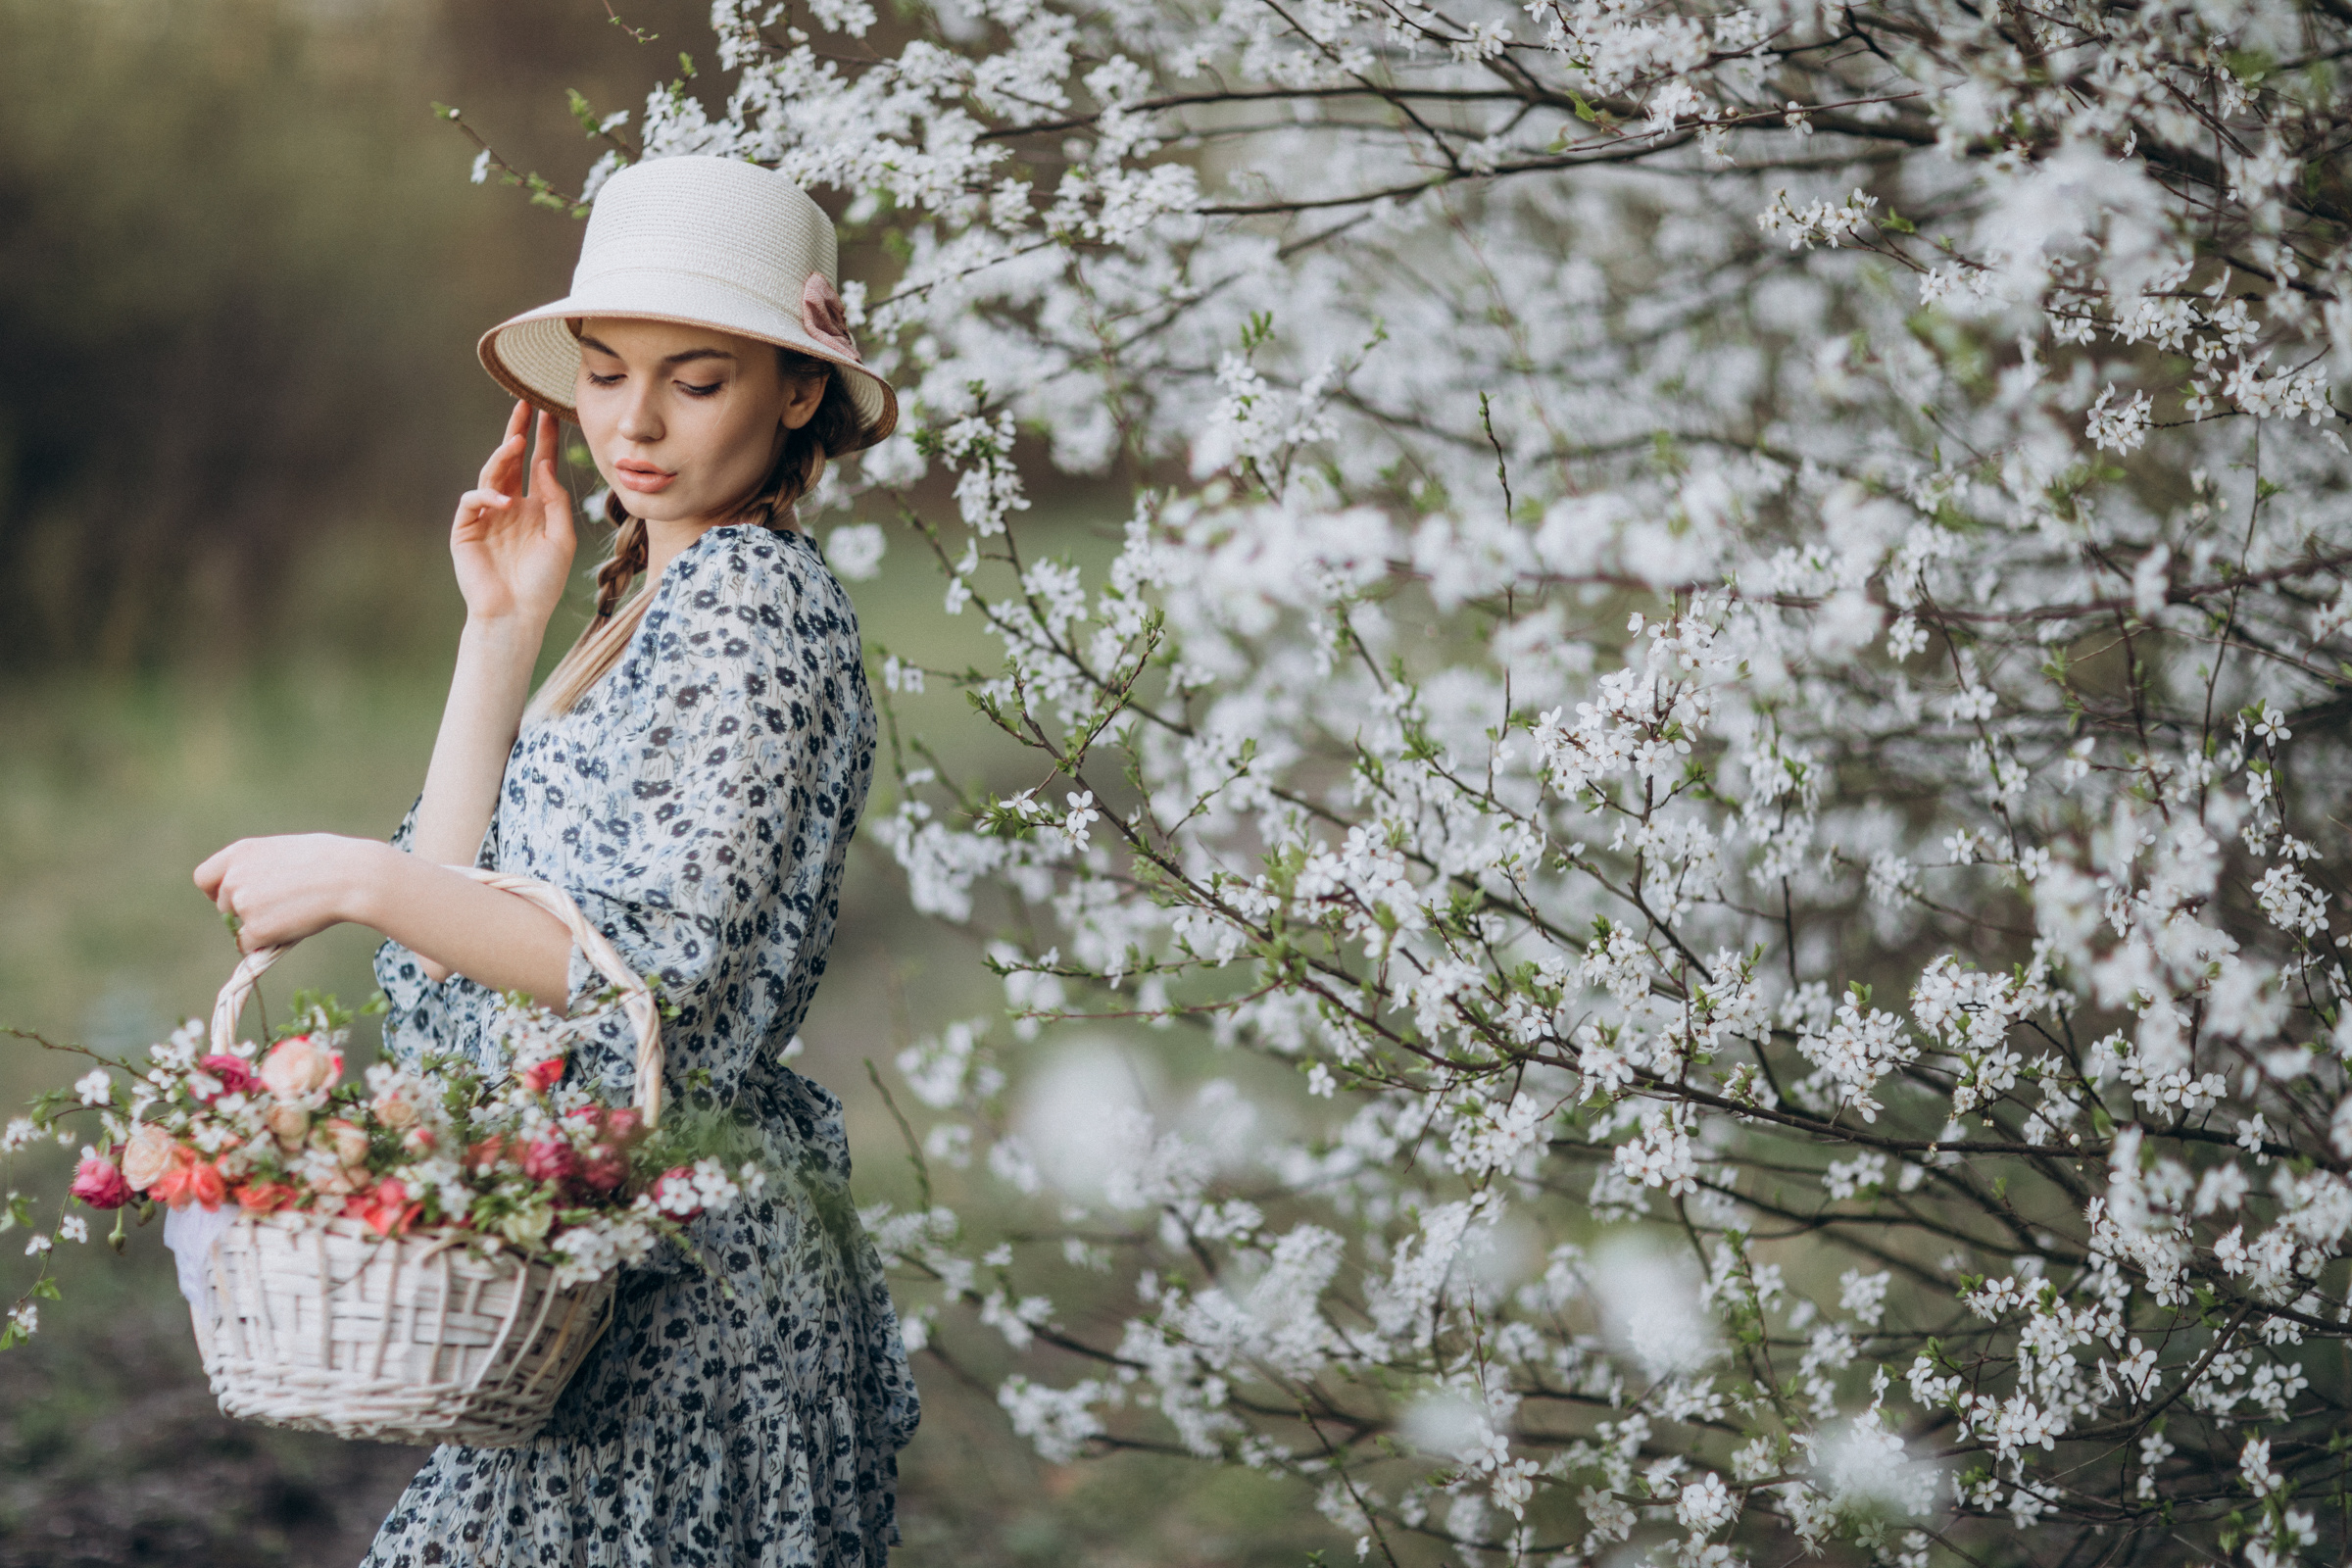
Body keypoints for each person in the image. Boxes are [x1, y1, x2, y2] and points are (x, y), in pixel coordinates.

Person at [190, 154, 920, 1566]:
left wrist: (357, 875)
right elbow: (442, 958)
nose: (631, 423)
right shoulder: (648, 605)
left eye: (694, 380)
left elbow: (655, 981)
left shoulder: (751, 599)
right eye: (600, 373)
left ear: (799, 389)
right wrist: (502, 629)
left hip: (692, 1311)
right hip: (610, 1279)